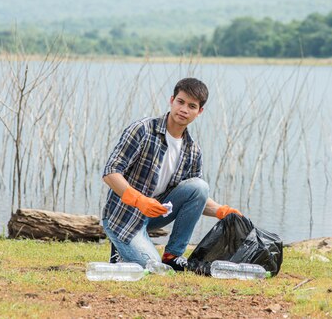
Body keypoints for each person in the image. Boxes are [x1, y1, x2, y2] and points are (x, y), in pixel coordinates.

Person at [101, 77, 242, 271]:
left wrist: (221, 211)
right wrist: (139, 200)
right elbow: (110, 172)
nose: (184, 109)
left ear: (199, 112)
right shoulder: (142, 130)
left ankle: (173, 255)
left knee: (200, 186)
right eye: (180, 102)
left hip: (154, 216)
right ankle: (119, 249)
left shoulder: (193, 150)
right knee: (152, 267)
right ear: (171, 100)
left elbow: (195, 197)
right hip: (123, 216)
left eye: (192, 106)